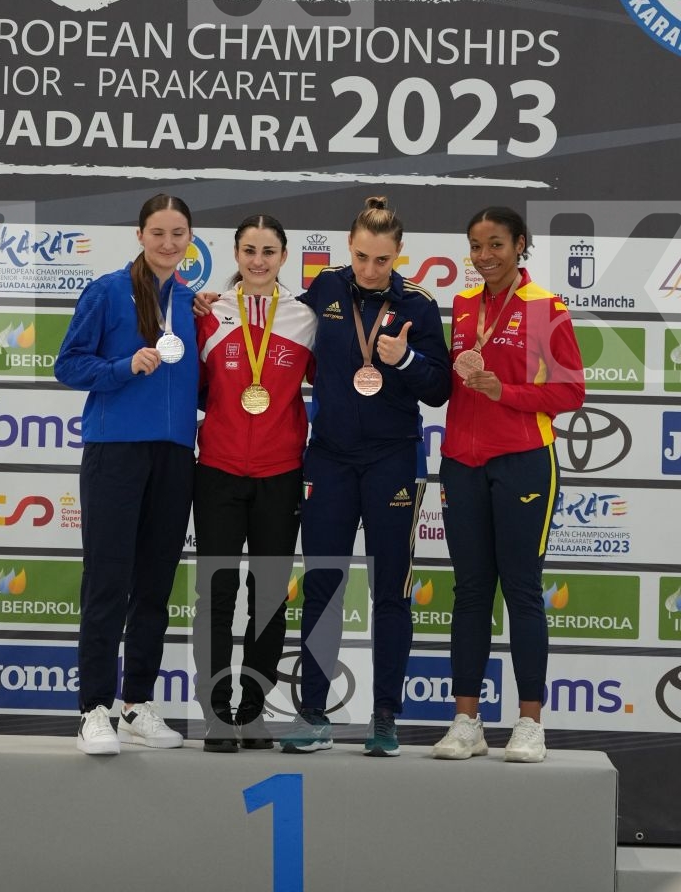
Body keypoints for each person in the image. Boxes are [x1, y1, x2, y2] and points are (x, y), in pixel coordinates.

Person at [279, 195, 452, 758]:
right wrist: (215, 306)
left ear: (399, 253)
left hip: (392, 461)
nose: (371, 269)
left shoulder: (420, 307)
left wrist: (403, 361)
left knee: (391, 592)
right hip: (328, 458)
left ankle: (384, 717)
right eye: (361, 256)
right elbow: (277, 330)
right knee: (322, 586)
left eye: (382, 259)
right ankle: (312, 713)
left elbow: (440, 389)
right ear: (348, 247)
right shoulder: (325, 288)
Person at [433, 206, 585, 764]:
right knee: (470, 591)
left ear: (520, 245)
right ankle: (466, 721)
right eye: (476, 245)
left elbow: (571, 393)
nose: (484, 256)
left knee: (521, 588)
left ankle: (529, 723)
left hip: (523, 460)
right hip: (461, 462)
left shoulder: (545, 308)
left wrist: (507, 393)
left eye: (496, 244)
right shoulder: (465, 305)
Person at [55, 193, 199, 756]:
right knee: (109, 581)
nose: (168, 243)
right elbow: (68, 364)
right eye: (159, 232)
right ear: (140, 235)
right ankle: (94, 708)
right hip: (115, 450)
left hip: (173, 453)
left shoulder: (190, 301)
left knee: (156, 585)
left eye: (179, 233)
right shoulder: (108, 290)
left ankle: (137, 703)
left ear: (190, 240)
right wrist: (123, 366)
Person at [192, 214, 316, 752]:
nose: (258, 260)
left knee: (268, 598)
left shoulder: (305, 318)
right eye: (249, 250)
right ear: (236, 254)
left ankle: (253, 711)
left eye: (269, 251)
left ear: (285, 256)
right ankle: (218, 714)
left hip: (281, 473)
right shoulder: (209, 313)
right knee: (217, 594)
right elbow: (196, 390)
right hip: (217, 469)